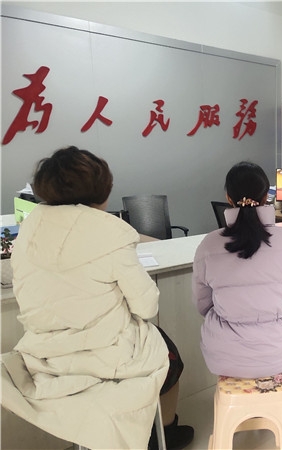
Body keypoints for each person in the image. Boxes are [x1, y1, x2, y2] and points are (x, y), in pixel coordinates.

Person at [8, 146, 193, 450]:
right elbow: (147, 306)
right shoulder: (111, 232)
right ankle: (166, 431)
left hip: (44, 358)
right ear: (102, 190)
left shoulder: (29, 227)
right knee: (171, 356)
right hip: (106, 356)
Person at [192, 161, 282, 378]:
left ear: (228, 198)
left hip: (223, 355)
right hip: (280, 351)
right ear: (266, 197)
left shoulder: (208, 245)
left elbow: (203, 305)